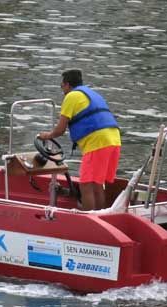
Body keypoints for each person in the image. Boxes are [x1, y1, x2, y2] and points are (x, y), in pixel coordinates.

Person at [38, 69, 121, 210]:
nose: (62, 89)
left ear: (67, 84)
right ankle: (101, 215)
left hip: (97, 142)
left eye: (62, 85)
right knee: (97, 184)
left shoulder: (71, 96)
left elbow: (60, 130)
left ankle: (89, 217)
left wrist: (45, 136)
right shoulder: (91, 93)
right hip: (114, 139)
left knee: (85, 184)